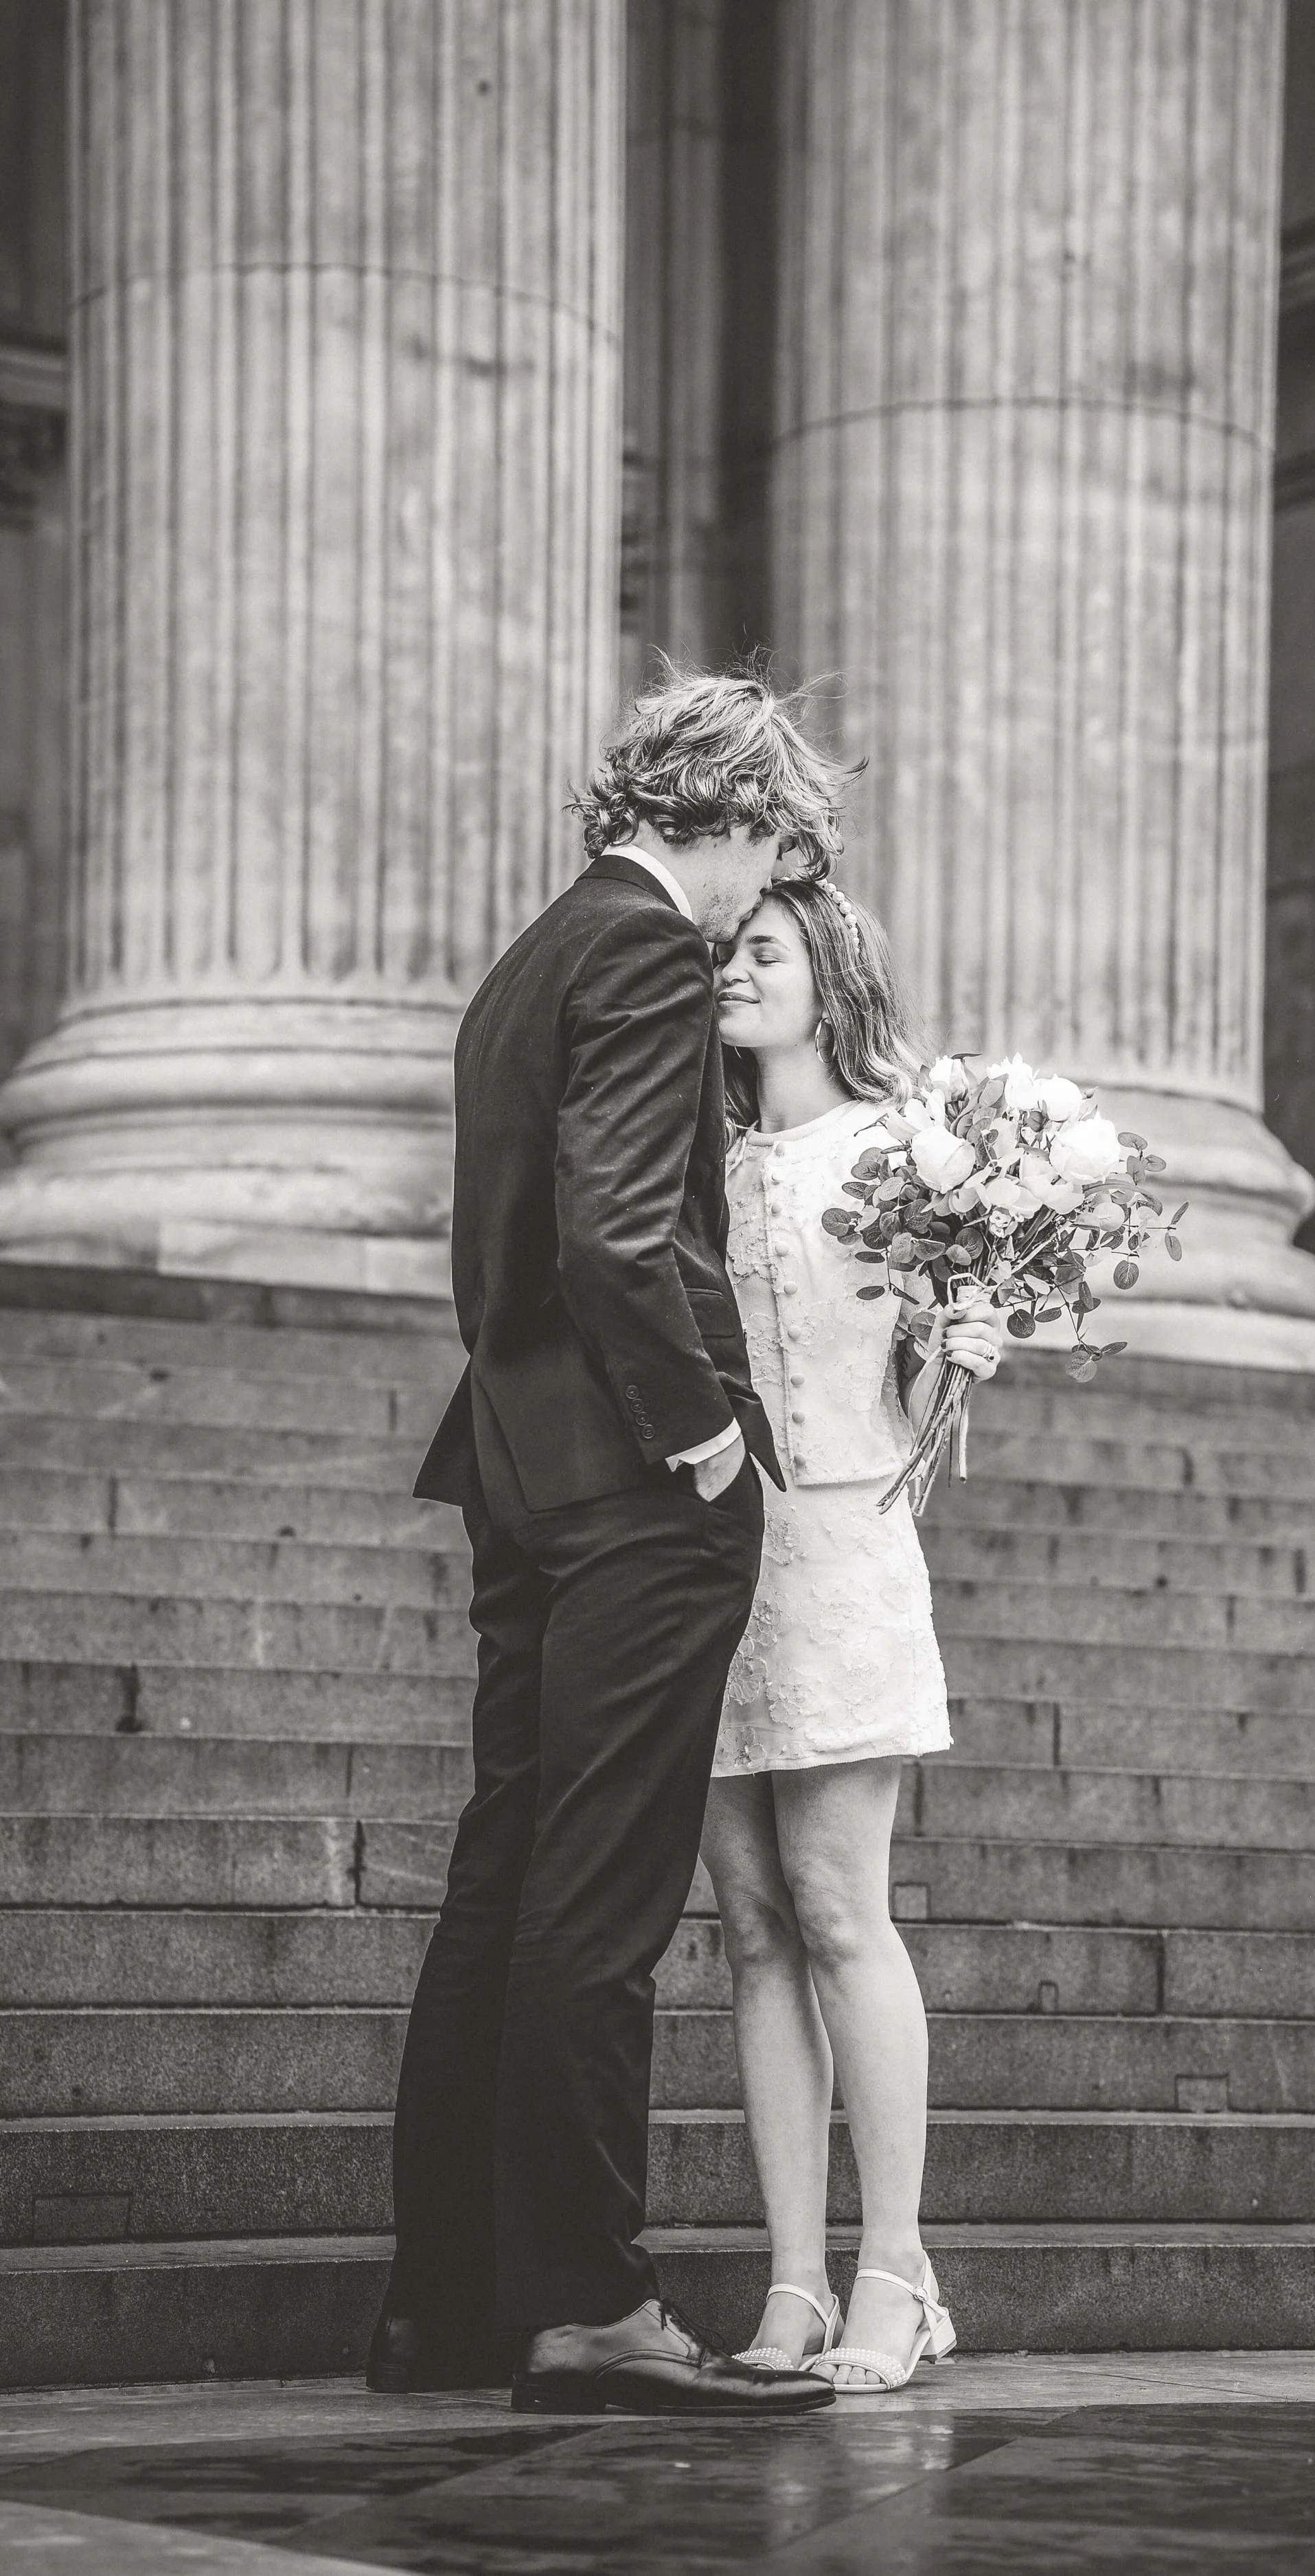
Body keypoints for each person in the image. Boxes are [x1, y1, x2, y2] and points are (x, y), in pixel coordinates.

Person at [369, 667, 852, 2418]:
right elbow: (622, 1228)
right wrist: (708, 1433)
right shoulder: (647, 947)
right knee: (602, 1891)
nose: (762, 891)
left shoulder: (528, 957)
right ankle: (585, 2304)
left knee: (506, 1877)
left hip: (514, 1464)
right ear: (722, 813)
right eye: (774, 843)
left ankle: (444, 2305)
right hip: (633, 1479)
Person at [700, 882, 1004, 2394]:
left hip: (841, 1550)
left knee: (836, 1908)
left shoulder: (908, 1149)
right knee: (749, 1925)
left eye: (760, 951)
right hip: (707, 1566)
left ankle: (895, 2270)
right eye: (724, 951)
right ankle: (793, 2284)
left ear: (829, 976)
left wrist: (973, 1330)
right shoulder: (700, 1157)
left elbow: (943, 1341)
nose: (731, 972)